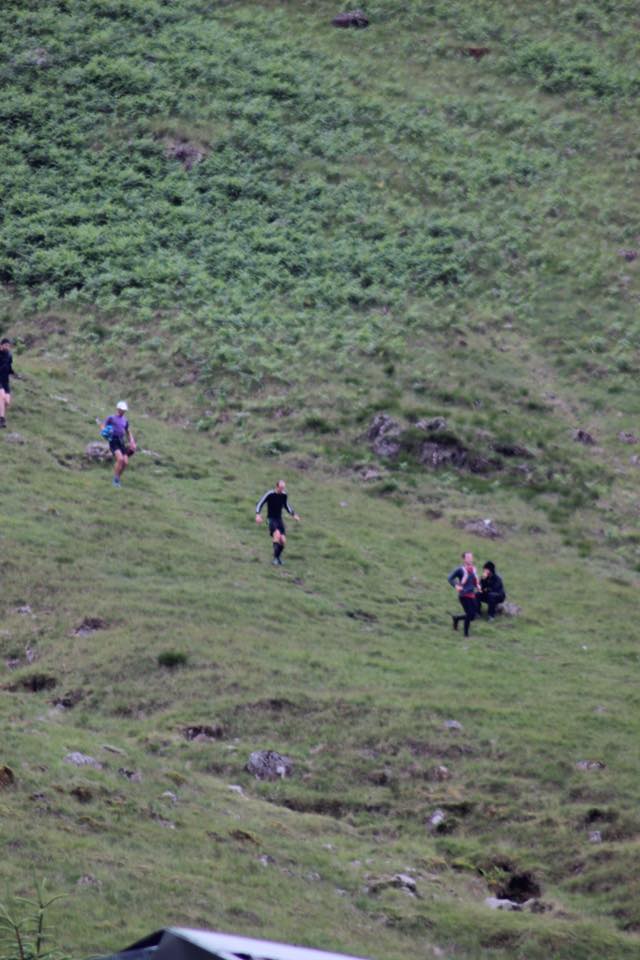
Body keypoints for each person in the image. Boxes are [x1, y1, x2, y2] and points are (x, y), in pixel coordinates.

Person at [255, 479, 300, 565]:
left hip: (279, 519)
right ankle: (275, 559)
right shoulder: (270, 494)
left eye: (283, 488)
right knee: (277, 534)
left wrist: (294, 514)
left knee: (283, 540)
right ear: (277, 486)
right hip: (271, 518)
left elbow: (287, 506)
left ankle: (278, 557)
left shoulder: (284, 495)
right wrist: (258, 514)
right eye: (281, 487)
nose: (282, 489)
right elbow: (260, 503)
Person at [101, 401, 136, 488]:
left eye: (124, 410)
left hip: (121, 442)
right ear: (118, 409)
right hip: (113, 441)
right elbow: (103, 425)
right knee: (120, 459)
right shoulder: (111, 418)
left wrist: (132, 440)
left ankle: (117, 478)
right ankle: (115, 480)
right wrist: (104, 431)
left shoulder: (125, 420)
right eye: (121, 410)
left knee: (125, 462)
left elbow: (128, 431)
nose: (123, 411)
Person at [448, 551, 481, 637]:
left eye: (471, 557)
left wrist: (478, 586)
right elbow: (450, 578)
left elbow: (474, 581)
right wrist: (456, 586)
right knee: (470, 614)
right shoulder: (460, 569)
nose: (470, 559)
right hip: (463, 595)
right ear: (464, 559)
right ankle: (466, 634)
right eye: (468, 557)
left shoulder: (474, 569)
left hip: (472, 595)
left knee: (473, 616)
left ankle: (456, 618)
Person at [0, 338, 15, 428]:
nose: (7, 347)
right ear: (1, 345)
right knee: (2, 397)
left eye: (8, 346)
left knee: (7, 402)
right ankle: (1, 419)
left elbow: (9, 367)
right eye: (5, 345)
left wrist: (14, 374)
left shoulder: (9, 355)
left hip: (5, 381)